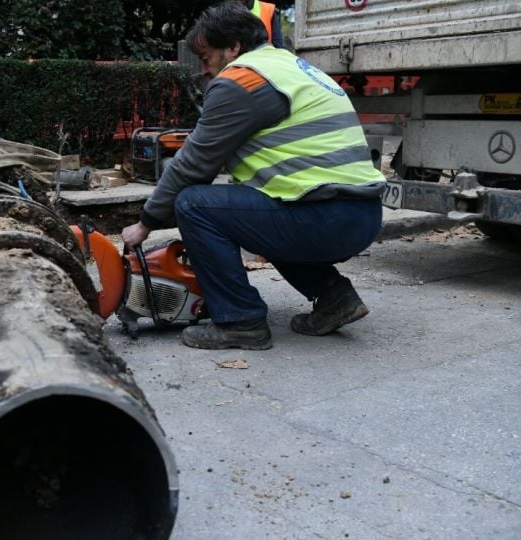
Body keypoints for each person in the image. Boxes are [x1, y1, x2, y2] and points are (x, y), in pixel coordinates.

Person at [121, 0, 385, 351]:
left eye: (206, 58)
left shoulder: (241, 80)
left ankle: (240, 320)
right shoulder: (290, 66)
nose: (203, 70)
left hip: (325, 216)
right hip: (360, 213)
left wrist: (146, 222)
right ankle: (335, 297)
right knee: (261, 210)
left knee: (193, 204)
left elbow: (193, 163)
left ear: (233, 47)